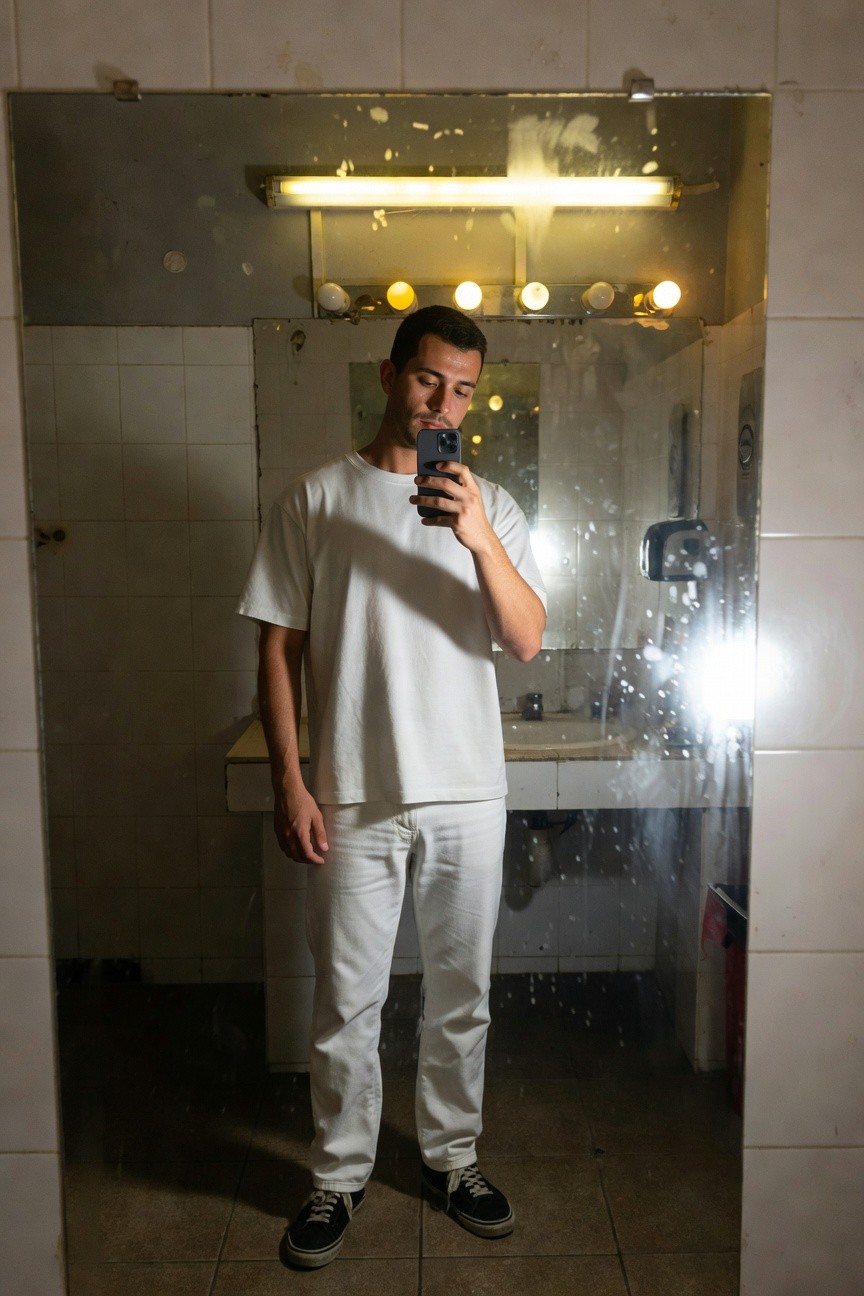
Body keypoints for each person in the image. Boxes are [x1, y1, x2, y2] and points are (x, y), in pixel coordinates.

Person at [237, 304, 546, 1269]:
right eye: (428, 381)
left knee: (463, 995)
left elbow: (526, 639)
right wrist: (292, 783)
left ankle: (453, 1160)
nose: (441, 403)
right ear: (388, 376)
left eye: (462, 391)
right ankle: (337, 1176)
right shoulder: (316, 498)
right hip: (353, 790)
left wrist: (477, 538)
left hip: (465, 791)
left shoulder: (491, 506)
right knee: (347, 1002)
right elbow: (277, 650)